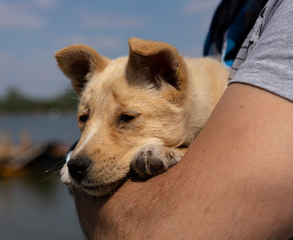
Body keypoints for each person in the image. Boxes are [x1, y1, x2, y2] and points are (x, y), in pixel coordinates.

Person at [69, 0, 293, 239]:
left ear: (166, 76)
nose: (79, 156)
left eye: (125, 118)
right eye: (84, 117)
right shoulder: (226, 14)